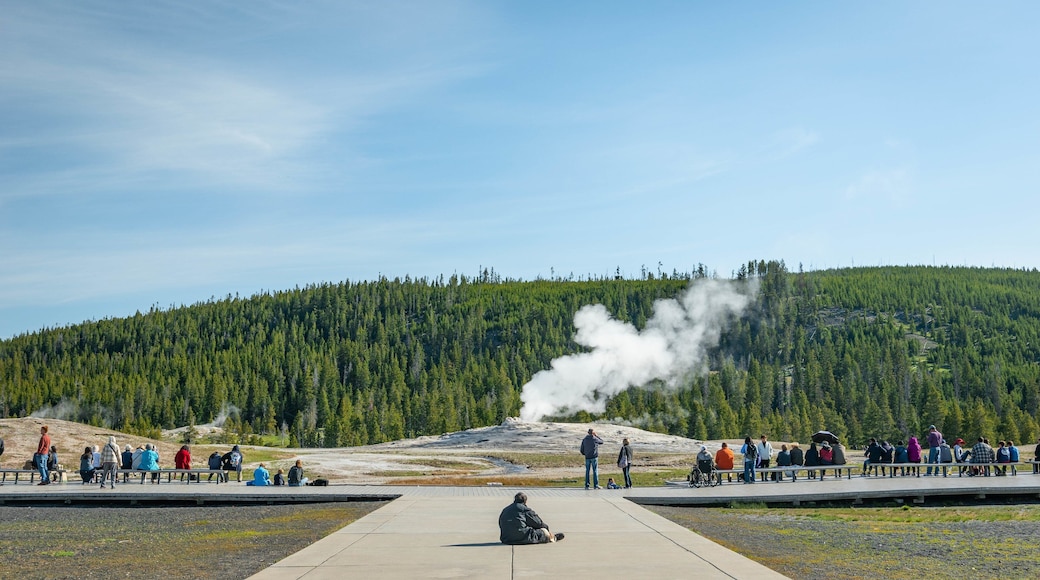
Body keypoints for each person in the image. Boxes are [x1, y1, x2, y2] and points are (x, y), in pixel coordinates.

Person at [498, 492, 563, 544]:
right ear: (525, 501)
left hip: (506, 538)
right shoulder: (524, 509)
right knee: (543, 532)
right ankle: (553, 538)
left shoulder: (505, 509)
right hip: (522, 537)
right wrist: (546, 529)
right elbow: (538, 523)